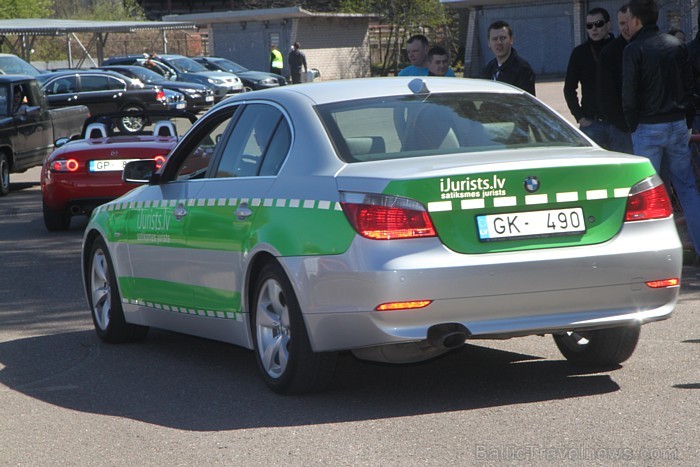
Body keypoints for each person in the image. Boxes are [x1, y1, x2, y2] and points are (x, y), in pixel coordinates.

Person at [622, 0, 700, 255]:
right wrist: (686, 120)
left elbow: (629, 95)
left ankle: (651, 256)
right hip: (677, 123)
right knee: (687, 188)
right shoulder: (676, 45)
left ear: (636, 20)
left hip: (648, 126)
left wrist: (632, 125)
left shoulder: (634, 49)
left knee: (645, 193)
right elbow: (690, 87)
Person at [564, 8, 615, 148]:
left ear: (608, 25)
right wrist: (580, 117)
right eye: (589, 25)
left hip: (619, 125)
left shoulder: (621, 48)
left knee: (623, 168)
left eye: (599, 24)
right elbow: (569, 88)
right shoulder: (579, 53)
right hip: (591, 123)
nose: (594, 29)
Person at [597, 4, 634, 153]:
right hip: (621, 128)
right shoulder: (610, 53)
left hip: (649, 124)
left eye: (628, 23)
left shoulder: (648, 46)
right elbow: (605, 94)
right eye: (622, 24)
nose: (625, 28)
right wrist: (622, 123)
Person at [483, 20, 536, 95]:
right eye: (494, 39)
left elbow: (526, 103)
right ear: (489, 43)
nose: (499, 42)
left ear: (511, 40)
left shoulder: (523, 69)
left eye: (503, 38)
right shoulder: (489, 68)